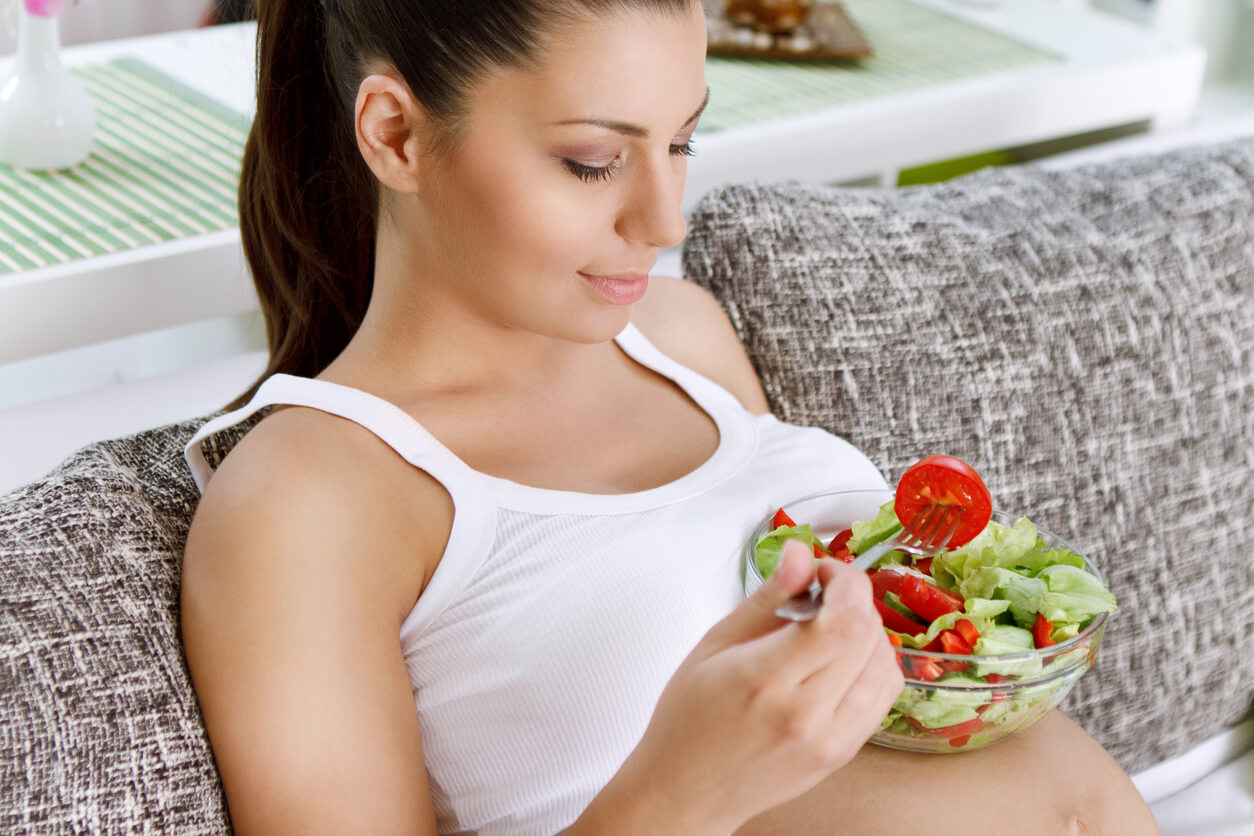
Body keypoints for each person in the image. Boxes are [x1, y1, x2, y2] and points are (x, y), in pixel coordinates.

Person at [179, 1, 1162, 834]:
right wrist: (679, 789)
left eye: (681, 142)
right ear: (395, 133)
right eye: (592, 161)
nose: (665, 222)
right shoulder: (308, 496)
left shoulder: (680, 335)